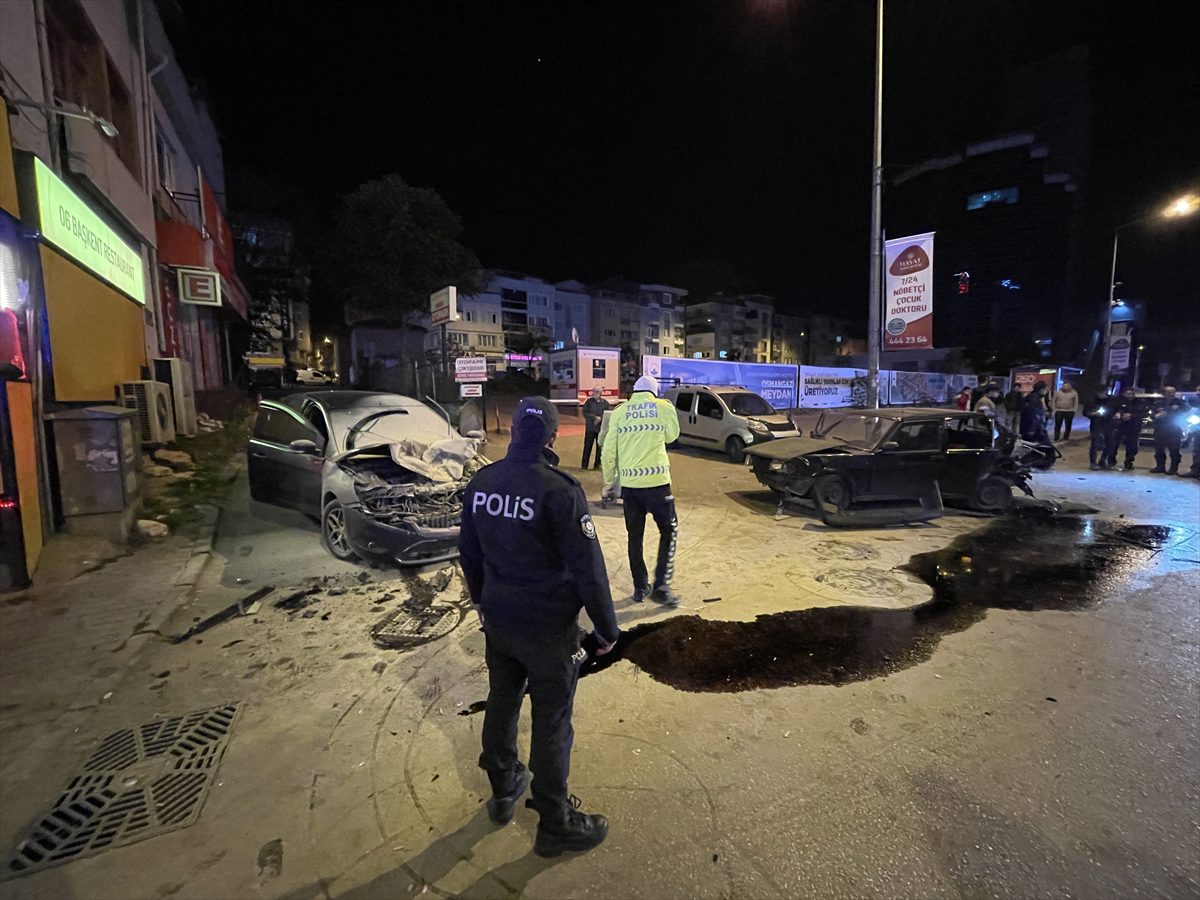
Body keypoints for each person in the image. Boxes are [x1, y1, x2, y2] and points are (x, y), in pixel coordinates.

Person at [458, 397, 619, 858]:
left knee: (503, 702)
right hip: (548, 630)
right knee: (552, 723)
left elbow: (469, 553)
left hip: (500, 622)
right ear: (551, 438)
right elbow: (589, 569)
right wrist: (607, 629)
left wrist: (482, 599)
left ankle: (504, 784)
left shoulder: (482, 482)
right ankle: (555, 823)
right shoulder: (559, 490)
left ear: (510, 433)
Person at [601, 374, 682, 607]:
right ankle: (661, 586)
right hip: (658, 485)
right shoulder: (663, 407)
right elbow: (672, 435)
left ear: (633, 392)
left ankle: (640, 586)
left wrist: (609, 482)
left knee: (634, 537)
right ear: (654, 391)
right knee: (669, 530)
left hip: (631, 489)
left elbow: (608, 451)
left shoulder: (619, 412)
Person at [1149, 385, 1188, 474]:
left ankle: (1173, 469)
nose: (1172, 394)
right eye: (1169, 392)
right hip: (1160, 428)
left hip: (1174, 429)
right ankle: (1160, 466)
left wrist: (1168, 411)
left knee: (1174, 450)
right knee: (1159, 449)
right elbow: (1152, 414)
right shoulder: (1158, 403)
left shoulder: (1180, 402)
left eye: (1173, 392)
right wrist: (1155, 416)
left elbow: (1187, 411)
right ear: (1164, 393)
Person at [1083, 390, 1118, 470]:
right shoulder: (1092, 401)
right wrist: (1093, 414)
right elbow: (1085, 412)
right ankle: (1093, 463)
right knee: (1095, 444)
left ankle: (1102, 460)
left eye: (1104, 393)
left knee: (1110, 444)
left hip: (1108, 424)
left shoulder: (1111, 401)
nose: (1103, 395)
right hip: (1096, 424)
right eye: (1101, 393)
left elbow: (1116, 409)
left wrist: (1115, 415)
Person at [1111, 387, 1143, 470]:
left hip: (1133, 427)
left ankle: (1129, 462)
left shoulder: (1138, 402)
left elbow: (1142, 413)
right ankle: (1111, 460)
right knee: (1114, 444)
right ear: (1124, 394)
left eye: (1132, 394)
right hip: (1120, 426)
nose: (1131, 396)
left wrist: (1131, 416)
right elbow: (1112, 411)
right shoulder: (1118, 401)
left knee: (1132, 447)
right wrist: (1119, 415)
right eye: (1128, 394)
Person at [580, 387, 607, 470]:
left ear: (600, 393)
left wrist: (600, 418)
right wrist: (594, 418)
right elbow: (585, 412)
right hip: (590, 428)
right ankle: (584, 465)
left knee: (599, 448)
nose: (594, 393)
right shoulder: (588, 402)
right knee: (587, 447)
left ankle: (597, 465)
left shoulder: (605, 403)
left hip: (600, 429)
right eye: (593, 391)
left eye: (596, 391)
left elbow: (606, 413)